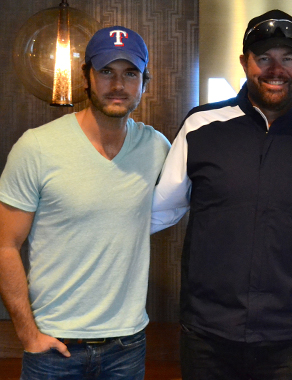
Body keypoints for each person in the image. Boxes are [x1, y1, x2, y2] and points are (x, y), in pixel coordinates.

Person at [151, 9, 292, 380]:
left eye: (287, 58)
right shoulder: (200, 127)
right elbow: (159, 210)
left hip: (290, 337)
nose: (276, 69)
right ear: (244, 62)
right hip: (208, 332)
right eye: (263, 58)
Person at [0, 26, 170, 379]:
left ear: (144, 83)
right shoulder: (37, 147)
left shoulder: (157, 148)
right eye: (106, 71)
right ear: (87, 78)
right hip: (54, 345)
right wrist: (27, 334)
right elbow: (5, 245)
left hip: (127, 344)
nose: (118, 84)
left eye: (130, 73)